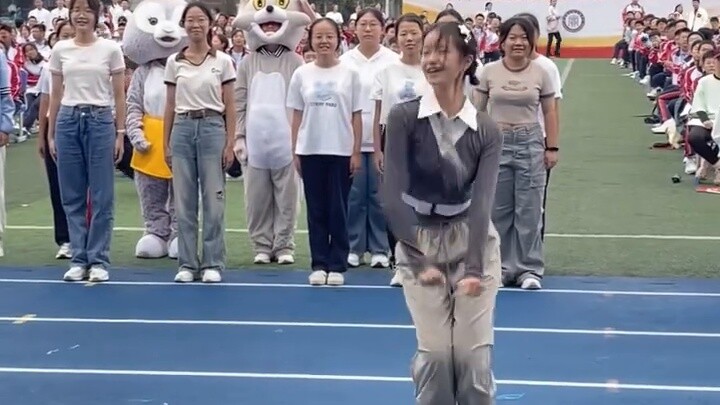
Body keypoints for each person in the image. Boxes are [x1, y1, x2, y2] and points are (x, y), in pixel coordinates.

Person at [382, 21, 502, 404]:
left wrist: (472, 267)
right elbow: (391, 192)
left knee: (471, 358)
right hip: (419, 237)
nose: (430, 59)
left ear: (466, 61)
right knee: (435, 355)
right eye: (428, 51)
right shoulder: (403, 117)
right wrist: (418, 260)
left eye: (441, 51)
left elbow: (482, 200)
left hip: (472, 238)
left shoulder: (485, 129)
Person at [475, 17, 559, 290]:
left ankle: (529, 269)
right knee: (498, 209)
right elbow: (477, 112)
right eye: (512, 37)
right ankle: (500, 267)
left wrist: (552, 147)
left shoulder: (541, 72)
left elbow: (549, 111)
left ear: (532, 41)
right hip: (496, 143)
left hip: (530, 142)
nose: (518, 42)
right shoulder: (488, 71)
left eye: (524, 37)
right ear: (502, 41)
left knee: (529, 209)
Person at [47, 0, 126, 282]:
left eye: (87, 10)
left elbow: (119, 96)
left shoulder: (111, 49)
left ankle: (99, 260)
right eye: (76, 10)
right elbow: (55, 94)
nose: (81, 15)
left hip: (100, 120)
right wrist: (50, 132)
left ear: (97, 15)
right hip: (68, 120)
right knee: (72, 195)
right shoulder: (60, 49)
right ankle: (79, 258)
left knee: (102, 195)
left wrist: (120, 133)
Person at [163, 1, 237, 283]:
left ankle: (212, 263)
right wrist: (167, 142)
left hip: (212, 128)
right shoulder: (174, 62)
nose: (195, 25)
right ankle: (187, 263)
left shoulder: (223, 61)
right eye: (190, 20)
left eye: (201, 20)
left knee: (214, 199)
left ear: (210, 23)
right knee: (183, 201)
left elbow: (230, 105)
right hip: (182, 129)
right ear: (184, 25)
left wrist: (230, 142)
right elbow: (170, 105)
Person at [286, 18, 362, 286]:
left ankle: (338, 264)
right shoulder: (301, 74)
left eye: (329, 36)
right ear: (310, 40)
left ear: (338, 38)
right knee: (316, 209)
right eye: (318, 36)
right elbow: (296, 114)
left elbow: (356, 116)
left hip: (341, 150)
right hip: (310, 149)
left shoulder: (350, 74)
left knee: (338, 209)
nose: (324, 41)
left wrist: (355, 152)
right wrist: (296, 149)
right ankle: (319, 263)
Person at [340, 8, 398, 269]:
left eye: (373, 24)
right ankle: (353, 246)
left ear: (383, 29)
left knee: (378, 195)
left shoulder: (393, 61)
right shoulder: (345, 61)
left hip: (382, 140)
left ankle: (379, 248)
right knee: (353, 196)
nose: (367, 29)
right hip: (350, 138)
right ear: (355, 28)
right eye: (362, 24)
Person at [371, 12, 426, 286]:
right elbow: (378, 113)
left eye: (413, 32)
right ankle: (400, 264)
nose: (408, 38)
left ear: (423, 35)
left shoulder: (432, 68)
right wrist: (378, 150)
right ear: (396, 36)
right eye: (403, 33)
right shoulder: (387, 71)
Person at [37, 20, 75, 260]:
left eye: (71, 35)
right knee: (57, 185)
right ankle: (65, 239)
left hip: (80, 124)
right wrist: (42, 135)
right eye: (62, 35)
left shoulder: (87, 62)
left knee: (81, 186)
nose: (66, 39)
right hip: (55, 127)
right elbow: (45, 102)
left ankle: (85, 236)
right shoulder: (48, 68)